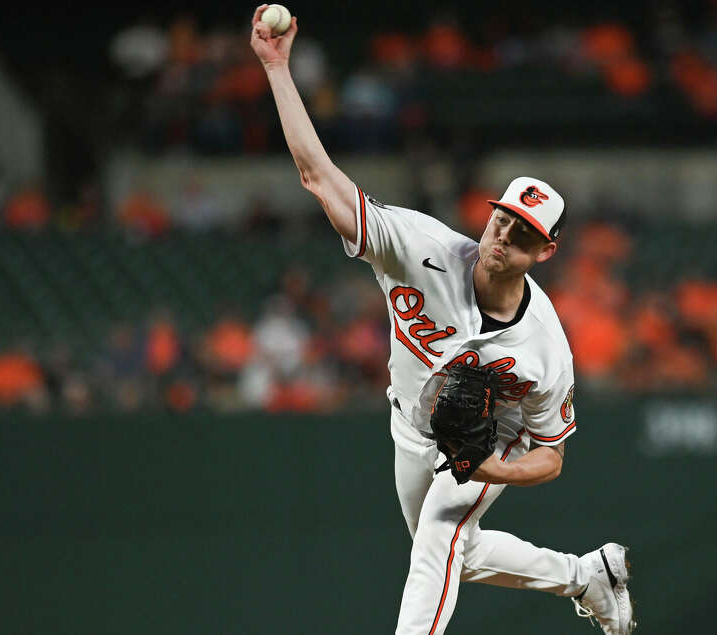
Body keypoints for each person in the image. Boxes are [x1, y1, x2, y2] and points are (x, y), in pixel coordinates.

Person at [249, 7, 634, 633]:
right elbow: (318, 177)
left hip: (489, 436)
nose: (504, 235)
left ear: (545, 252)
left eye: (524, 233)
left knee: (439, 534)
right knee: (455, 550)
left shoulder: (546, 349)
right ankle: (586, 575)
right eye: (503, 218)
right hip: (409, 422)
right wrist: (277, 69)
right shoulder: (419, 247)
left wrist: (491, 467)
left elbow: (552, 456)